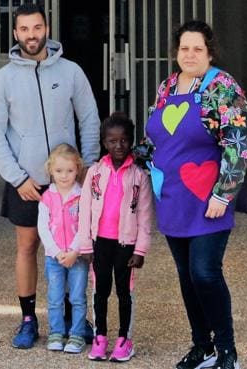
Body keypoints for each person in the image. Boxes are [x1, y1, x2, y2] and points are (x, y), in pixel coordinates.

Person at [0, 3, 101, 349]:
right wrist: (17, 178)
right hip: (28, 181)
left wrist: (88, 166)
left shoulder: (72, 72)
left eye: (36, 28)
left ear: (46, 28)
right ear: (15, 33)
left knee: (75, 248)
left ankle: (73, 318)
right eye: (24, 30)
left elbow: (90, 118)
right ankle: (29, 319)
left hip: (69, 181)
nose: (31, 35)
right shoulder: (2, 79)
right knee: (28, 246)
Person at [135, 20, 247, 369]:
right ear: (176, 52)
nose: (189, 54)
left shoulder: (223, 87)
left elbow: (238, 143)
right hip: (171, 196)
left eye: (197, 48)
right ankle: (201, 346)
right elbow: (158, 137)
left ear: (209, 51)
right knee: (186, 276)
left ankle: (226, 350)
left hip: (208, 197)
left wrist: (224, 193)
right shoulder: (168, 86)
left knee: (205, 273)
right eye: (184, 48)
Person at [78, 112, 153, 363]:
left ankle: (124, 339)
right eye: (112, 141)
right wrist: (85, 244)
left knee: (124, 292)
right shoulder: (95, 173)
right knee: (100, 291)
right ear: (104, 142)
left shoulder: (139, 176)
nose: (118, 145)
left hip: (126, 245)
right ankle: (100, 338)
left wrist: (140, 250)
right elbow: (84, 211)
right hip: (100, 243)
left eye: (123, 140)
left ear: (131, 141)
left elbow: (144, 216)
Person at [37, 144, 89, 354]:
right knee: (55, 298)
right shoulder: (47, 197)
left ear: (78, 169)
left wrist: (75, 250)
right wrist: (57, 251)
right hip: (54, 257)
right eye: (59, 171)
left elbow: (85, 224)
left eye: (69, 170)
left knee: (77, 297)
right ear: (50, 170)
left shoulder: (82, 195)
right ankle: (56, 332)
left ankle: (77, 334)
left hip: (77, 257)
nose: (64, 176)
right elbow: (43, 227)